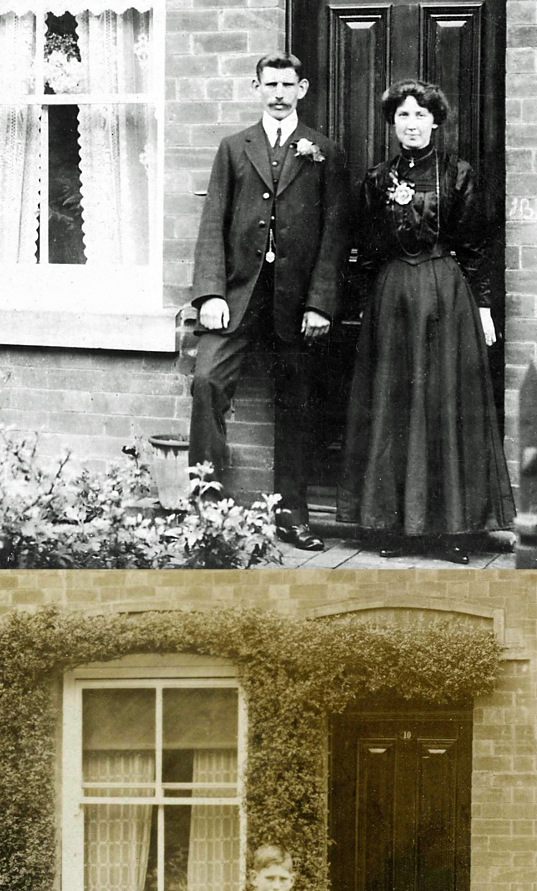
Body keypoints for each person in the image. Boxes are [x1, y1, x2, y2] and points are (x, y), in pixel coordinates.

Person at [337, 80, 515, 556]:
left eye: (420, 115)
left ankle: (451, 531)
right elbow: (365, 249)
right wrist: (367, 306)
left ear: (435, 122)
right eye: (403, 116)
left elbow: (475, 247)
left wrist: (482, 308)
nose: (411, 124)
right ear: (392, 124)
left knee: (444, 404)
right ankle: (395, 527)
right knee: (394, 405)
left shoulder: (458, 173)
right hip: (393, 298)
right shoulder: (377, 179)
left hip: (446, 297)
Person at [189, 52, 351, 549]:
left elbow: (335, 236)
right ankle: (207, 508)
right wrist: (210, 293)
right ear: (255, 87)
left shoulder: (325, 152)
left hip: (297, 303)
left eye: (287, 85)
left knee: (297, 403)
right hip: (239, 297)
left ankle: (292, 514)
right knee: (207, 382)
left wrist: (320, 303)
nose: (279, 93)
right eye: (270, 84)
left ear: (302, 89)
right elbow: (212, 223)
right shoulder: (234, 148)